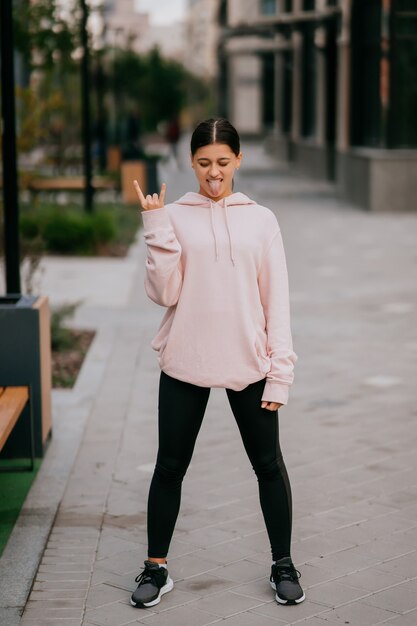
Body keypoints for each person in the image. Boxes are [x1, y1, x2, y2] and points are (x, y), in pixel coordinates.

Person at [131, 118, 305, 609]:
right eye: (204, 163)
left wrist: (280, 371)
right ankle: (155, 568)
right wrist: (156, 226)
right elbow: (163, 293)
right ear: (191, 163)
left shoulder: (261, 220)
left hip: (248, 363)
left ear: (239, 161)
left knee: (268, 466)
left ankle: (283, 564)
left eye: (223, 163)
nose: (213, 173)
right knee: (169, 468)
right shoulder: (176, 215)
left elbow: (278, 302)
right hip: (186, 359)